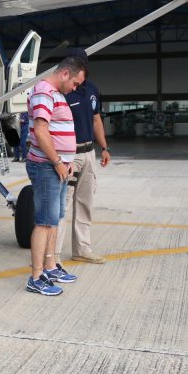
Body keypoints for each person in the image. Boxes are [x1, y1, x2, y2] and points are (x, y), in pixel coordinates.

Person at [24, 54, 87, 296]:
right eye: (75, 83)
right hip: (46, 166)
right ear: (64, 73)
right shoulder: (44, 92)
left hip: (58, 167)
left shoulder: (57, 94)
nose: (75, 89)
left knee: (54, 218)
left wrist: (66, 161)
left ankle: (50, 266)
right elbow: (41, 131)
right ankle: (36, 276)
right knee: (44, 222)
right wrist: (58, 161)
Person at [55, 50, 111, 264]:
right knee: (63, 205)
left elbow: (96, 120)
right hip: (69, 155)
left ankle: (82, 250)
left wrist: (104, 148)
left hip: (89, 153)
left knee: (85, 203)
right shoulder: (63, 91)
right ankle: (54, 256)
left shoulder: (93, 90)